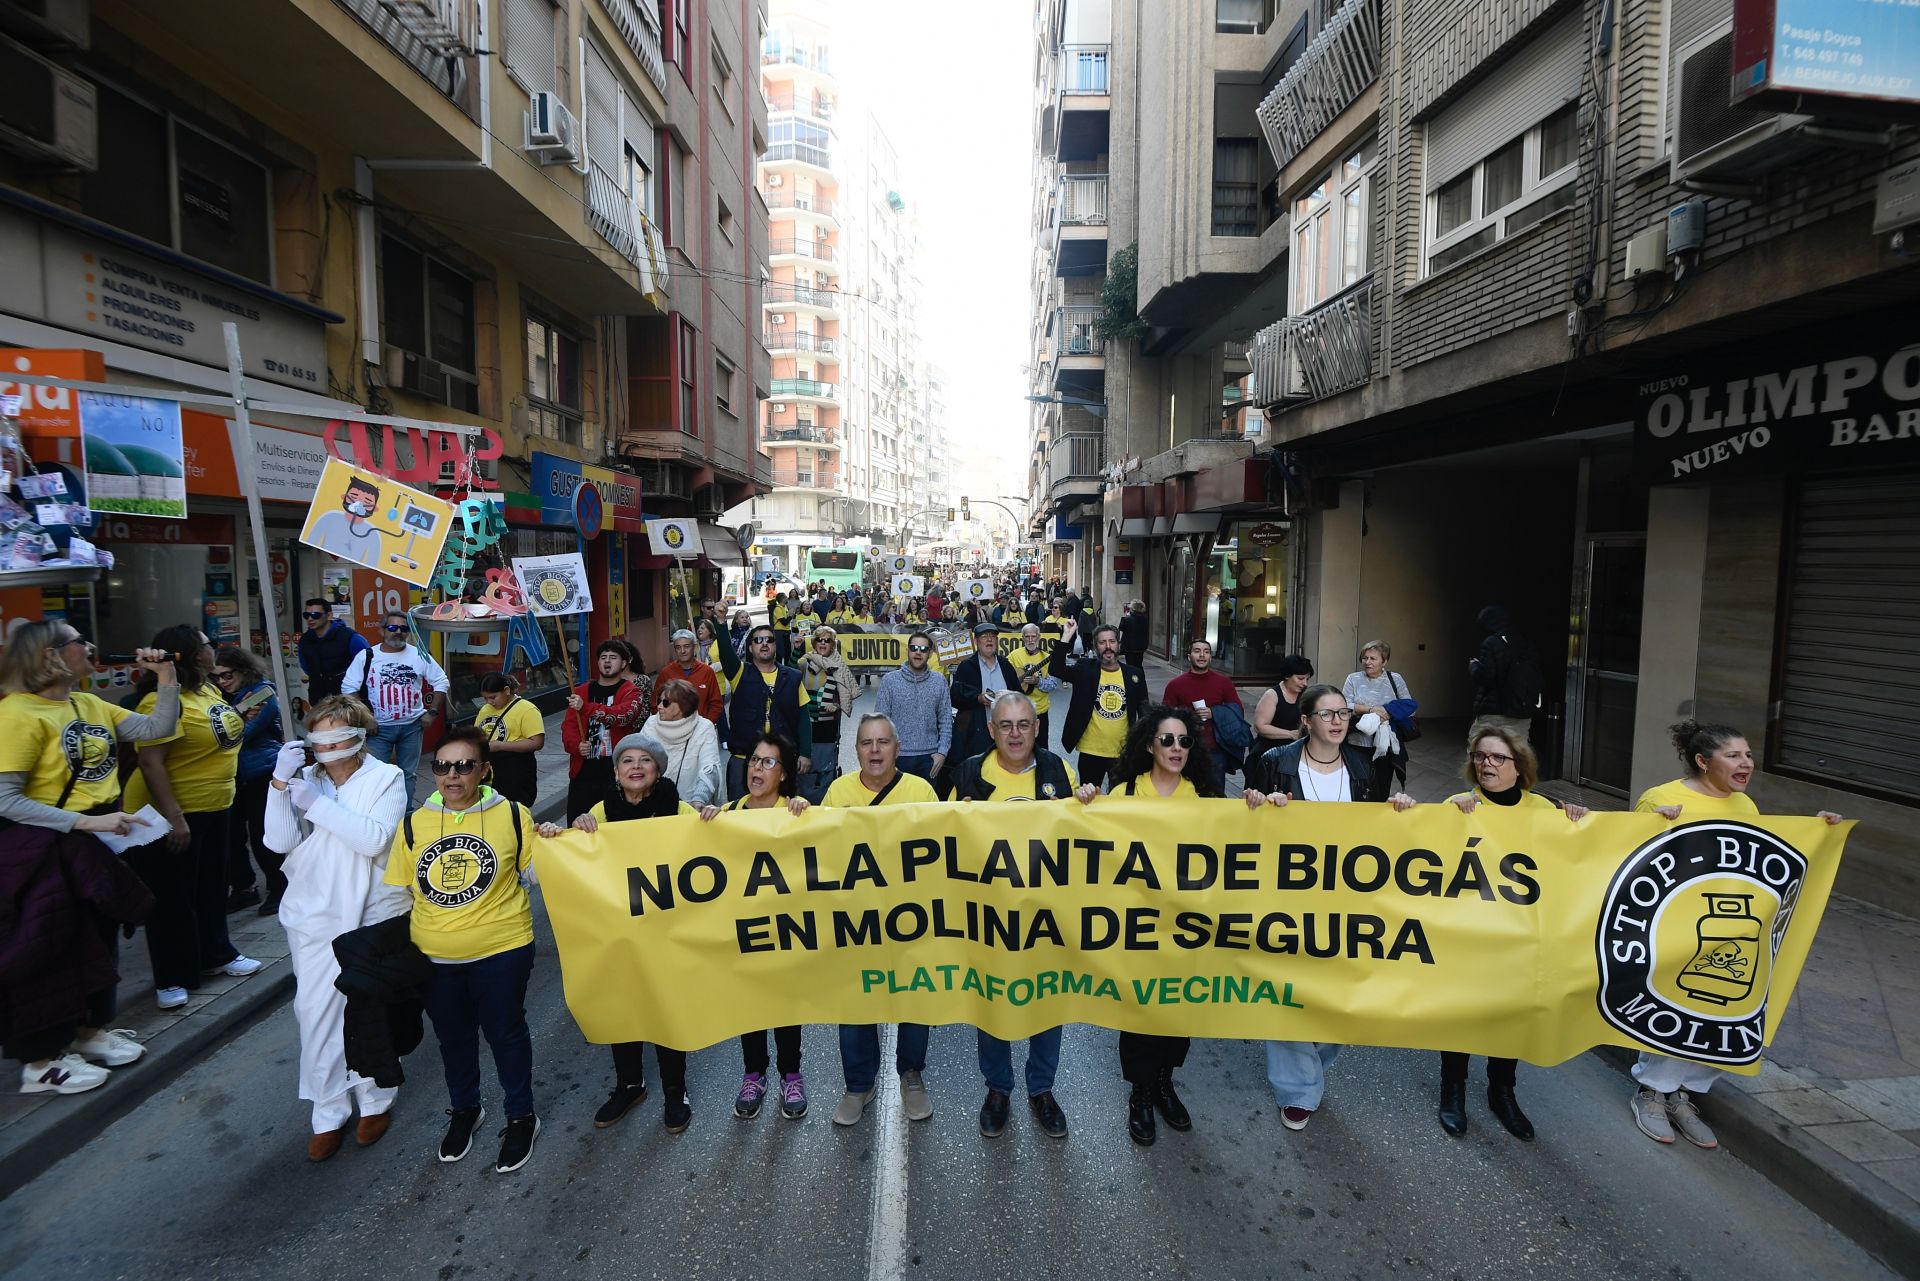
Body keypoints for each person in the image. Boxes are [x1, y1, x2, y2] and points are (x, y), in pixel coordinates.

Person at [1627, 720, 1843, 1150]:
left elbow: (1759, 859)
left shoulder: (1746, 806)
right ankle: (1651, 1091)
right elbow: (1627, 859)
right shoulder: (1663, 798)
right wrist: (1655, 825)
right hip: (1674, 929)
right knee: (1675, 1007)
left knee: (1722, 1012)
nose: (1746, 763)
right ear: (1703, 761)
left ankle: (1682, 1095)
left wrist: (1818, 831)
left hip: (1732, 931)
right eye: (1734, 755)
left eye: (1747, 754)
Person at [0, 623, 175, 1096]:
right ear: (51, 655)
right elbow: (5, 799)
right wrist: (86, 824)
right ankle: (41, 1062)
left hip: (94, 839)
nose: (92, 647)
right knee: (46, 948)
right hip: (44, 848)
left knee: (95, 939)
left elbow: (159, 728)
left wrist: (164, 678)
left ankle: (87, 1032)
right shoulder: (16, 714)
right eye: (81, 641)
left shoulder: (87, 703)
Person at [1249, 683, 1414, 1130]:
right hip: (1289, 901)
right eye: (1327, 714)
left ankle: (1310, 1068)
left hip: (1346, 904)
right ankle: (1298, 1089)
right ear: (1306, 721)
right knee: (1290, 995)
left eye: (1343, 713)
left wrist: (1401, 810)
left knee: (1341, 1000)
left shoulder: (1364, 767)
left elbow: (1379, 832)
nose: (1338, 721)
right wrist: (1262, 805)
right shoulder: (1273, 763)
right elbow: (1245, 830)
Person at [382, 727, 543, 1173]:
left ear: (483, 770)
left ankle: (521, 1115)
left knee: (505, 1034)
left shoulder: (512, 815)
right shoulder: (413, 825)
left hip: (503, 947)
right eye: (442, 766)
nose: (452, 776)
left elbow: (540, 874)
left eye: (464, 765)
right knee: (453, 1039)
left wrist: (558, 840)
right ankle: (466, 1109)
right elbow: (397, 894)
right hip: (435, 957)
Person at [263, 694, 410, 1161]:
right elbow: (279, 841)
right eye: (317, 736)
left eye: (336, 735)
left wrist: (318, 807)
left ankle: (374, 1098)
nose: (325, 746)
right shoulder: (303, 780)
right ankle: (327, 1110)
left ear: (358, 736)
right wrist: (279, 785)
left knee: (365, 1007)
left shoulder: (386, 777)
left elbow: (372, 840)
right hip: (313, 912)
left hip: (371, 911)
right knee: (314, 1011)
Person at [950, 692, 1096, 1138]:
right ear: (992, 730)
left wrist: (1091, 802)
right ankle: (998, 1089)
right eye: (1006, 725)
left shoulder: (1058, 771)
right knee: (992, 1001)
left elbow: (1085, 836)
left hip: (1047, 916)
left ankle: (1042, 1089)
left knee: (1047, 1001)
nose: (1015, 734)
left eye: (1024, 725)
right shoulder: (970, 774)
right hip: (989, 918)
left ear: (1036, 728)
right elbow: (948, 839)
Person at [538, 733, 698, 1134]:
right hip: (619, 932)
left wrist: (711, 817)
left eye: (646, 760)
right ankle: (630, 1084)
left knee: (665, 1008)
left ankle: (676, 1092)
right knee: (623, 1006)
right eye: (627, 760)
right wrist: (571, 832)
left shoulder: (678, 808)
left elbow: (706, 847)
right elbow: (578, 855)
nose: (636, 767)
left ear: (658, 770)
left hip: (665, 930)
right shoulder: (601, 811)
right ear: (616, 771)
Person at [1439, 722, 1588, 1142]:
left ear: (1519, 766)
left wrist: (1580, 824)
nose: (1487, 764)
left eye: (1497, 757)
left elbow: (1581, 861)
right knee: (1460, 1014)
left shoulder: (1545, 813)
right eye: (1480, 756)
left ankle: (1502, 1091)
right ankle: (1453, 1090)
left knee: (1511, 1013)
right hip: (1468, 934)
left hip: (1521, 939)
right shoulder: (1456, 805)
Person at [124, 625, 263, 1011]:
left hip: (216, 806)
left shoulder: (207, 690)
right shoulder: (160, 701)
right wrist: (175, 817)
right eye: (207, 645)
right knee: (172, 898)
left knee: (210, 888)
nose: (214, 649)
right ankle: (172, 977)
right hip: (175, 813)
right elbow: (151, 763)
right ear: (186, 654)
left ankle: (217, 953)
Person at [823, 714, 939, 1127]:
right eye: (866, 743)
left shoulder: (921, 790)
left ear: (898, 747)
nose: (875, 750)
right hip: (857, 920)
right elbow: (817, 850)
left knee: (915, 997)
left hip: (911, 919)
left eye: (883, 742)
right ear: (856, 750)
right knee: (855, 999)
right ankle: (858, 1084)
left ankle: (911, 1074)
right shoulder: (838, 791)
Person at [696, 733, 812, 1120]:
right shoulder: (727, 812)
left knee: (783, 1004)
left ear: (784, 774)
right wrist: (707, 826)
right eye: (754, 761)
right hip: (742, 930)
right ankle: (754, 1074)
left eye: (768, 762)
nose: (757, 768)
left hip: (785, 928)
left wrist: (805, 813)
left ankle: (791, 1075)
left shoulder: (795, 812)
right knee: (749, 1005)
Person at [342, 613, 452, 810]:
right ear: (382, 630)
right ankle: (377, 812)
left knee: (408, 774)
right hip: (378, 729)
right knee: (374, 773)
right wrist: (367, 719)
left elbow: (441, 681)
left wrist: (432, 712)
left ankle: (406, 814)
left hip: (411, 727)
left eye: (404, 629)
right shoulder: (367, 656)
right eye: (393, 628)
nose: (399, 632)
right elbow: (349, 688)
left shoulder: (419, 654)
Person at [213, 646, 284, 914]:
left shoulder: (262, 693)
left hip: (260, 772)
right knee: (232, 834)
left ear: (244, 671)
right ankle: (244, 888)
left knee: (262, 835)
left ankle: (279, 886)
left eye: (227, 675)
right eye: (216, 677)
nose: (222, 681)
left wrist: (230, 724)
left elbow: (236, 735)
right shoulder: (223, 697)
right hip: (233, 774)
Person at [1049, 621, 1149, 790]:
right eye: (1102, 643)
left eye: (1112, 641)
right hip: (1091, 751)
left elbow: (1144, 710)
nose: (1108, 646)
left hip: (1123, 751)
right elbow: (1056, 669)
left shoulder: (1134, 674)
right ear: (1095, 647)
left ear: (1119, 645)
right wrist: (1066, 635)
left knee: (1120, 798)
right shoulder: (1085, 669)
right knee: (1090, 799)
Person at [724, 625, 813, 801]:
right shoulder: (740, 673)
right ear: (750, 648)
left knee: (782, 817)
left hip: (781, 761)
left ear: (775, 646)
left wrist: (805, 753)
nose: (764, 644)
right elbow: (726, 654)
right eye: (758, 640)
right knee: (740, 817)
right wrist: (720, 622)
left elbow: (804, 718)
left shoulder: (793, 677)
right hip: (744, 760)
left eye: (769, 640)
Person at [562, 640, 648, 822]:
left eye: (613, 657)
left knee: (615, 825)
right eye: (603, 657)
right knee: (577, 826)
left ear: (624, 663)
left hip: (617, 774)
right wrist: (576, 746)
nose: (607, 661)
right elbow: (568, 727)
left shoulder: (632, 691)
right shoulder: (581, 691)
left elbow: (624, 716)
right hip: (583, 773)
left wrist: (586, 708)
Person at [873, 630, 952, 784]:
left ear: (930, 654)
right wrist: (884, 755)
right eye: (914, 648)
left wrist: (942, 753)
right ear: (907, 650)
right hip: (897, 757)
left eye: (923, 649)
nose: (918, 653)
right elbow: (880, 722)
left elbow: (946, 720)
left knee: (927, 808)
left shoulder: (939, 681)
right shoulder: (890, 681)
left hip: (929, 759)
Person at [1163, 638, 1242, 782]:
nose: (1202, 655)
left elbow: (1238, 711)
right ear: (1189, 656)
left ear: (1210, 657)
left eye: (1206, 652)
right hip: (1185, 749)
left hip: (1215, 749)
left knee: (1214, 796)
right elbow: (1164, 717)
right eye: (1197, 651)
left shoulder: (1223, 683)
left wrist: (1214, 713)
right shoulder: (1175, 685)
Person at [1342, 640, 1410, 803]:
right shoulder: (1353, 679)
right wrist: (1371, 710)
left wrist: (1388, 712)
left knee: (1381, 788)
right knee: (1356, 786)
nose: (1367, 662)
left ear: (1384, 661)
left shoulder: (1395, 679)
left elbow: (1410, 706)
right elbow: (1343, 705)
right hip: (1357, 743)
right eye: (1365, 658)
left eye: (1373, 658)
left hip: (1385, 746)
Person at [640, 679, 724, 808]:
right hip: (652, 805)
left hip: (690, 806)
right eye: (659, 701)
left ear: (683, 705)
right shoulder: (651, 724)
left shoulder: (704, 727)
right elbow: (638, 760)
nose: (659, 706)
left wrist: (699, 798)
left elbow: (709, 767)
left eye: (666, 703)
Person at [799, 626, 858, 802]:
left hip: (827, 727)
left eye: (828, 640)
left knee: (824, 766)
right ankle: (802, 799)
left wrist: (836, 704)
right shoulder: (805, 661)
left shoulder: (839, 666)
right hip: (805, 725)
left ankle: (824, 799)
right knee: (803, 766)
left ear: (833, 644)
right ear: (814, 642)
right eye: (820, 640)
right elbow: (790, 672)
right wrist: (795, 649)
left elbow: (846, 694)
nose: (823, 643)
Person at [1468, 605, 1539, 747]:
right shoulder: (1524, 640)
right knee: (1519, 753)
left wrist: (1474, 666)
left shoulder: (1492, 642)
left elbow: (1485, 677)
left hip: (1496, 712)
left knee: (1480, 750)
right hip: (1523, 709)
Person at [474, 674, 544, 808]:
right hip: (488, 772)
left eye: (493, 697)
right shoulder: (485, 710)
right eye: (485, 698)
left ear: (506, 690)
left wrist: (501, 746)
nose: (489, 702)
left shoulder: (527, 709)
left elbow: (537, 742)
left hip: (515, 770)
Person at [296, 598, 371, 703]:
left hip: (348, 699)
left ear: (329, 615)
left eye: (315, 615)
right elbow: (306, 666)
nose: (310, 619)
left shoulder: (349, 637)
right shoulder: (305, 641)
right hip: (319, 698)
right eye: (306, 615)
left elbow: (368, 663)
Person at [305, 475, 388, 568]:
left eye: (367, 502)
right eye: (354, 496)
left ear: (375, 508)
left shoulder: (373, 533)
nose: (359, 503)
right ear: (344, 496)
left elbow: (374, 564)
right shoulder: (329, 517)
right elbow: (311, 540)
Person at [654, 629, 726, 726]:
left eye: (686, 646)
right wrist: (667, 724)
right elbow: (655, 703)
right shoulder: (666, 673)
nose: (682, 651)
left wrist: (706, 724)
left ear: (694, 647)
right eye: (678, 647)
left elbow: (716, 704)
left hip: (700, 730)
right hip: (672, 730)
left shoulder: (707, 671)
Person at [1002, 624, 1059, 747]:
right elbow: (1005, 676)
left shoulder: (1047, 658)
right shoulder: (1013, 655)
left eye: (1033, 636)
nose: (1030, 640)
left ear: (1039, 637)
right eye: (1027, 636)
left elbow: (1053, 685)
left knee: (1041, 745)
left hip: (1040, 710)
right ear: (1022, 638)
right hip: (1019, 710)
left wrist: (1038, 682)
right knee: (1020, 745)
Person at [1251, 655, 1314, 746]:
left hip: (1298, 747)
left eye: (1307, 679)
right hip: (1271, 748)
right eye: (1300, 679)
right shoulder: (1272, 695)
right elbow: (1260, 726)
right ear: (1287, 676)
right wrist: (1290, 734)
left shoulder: (1306, 694)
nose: (1304, 683)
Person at [1118, 599, 1148, 669]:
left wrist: (1125, 616)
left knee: (1130, 664)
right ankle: (1140, 677)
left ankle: (1133, 678)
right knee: (1139, 664)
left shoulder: (1128, 619)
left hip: (1129, 647)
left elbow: (1121, 628)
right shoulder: (1144, 618)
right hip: (1140, 646)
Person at [770, 592, 793, 665]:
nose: (787, 598)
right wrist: (791, 616)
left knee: (787, 651)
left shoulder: (784, 607)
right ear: (783, 599)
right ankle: (778, 667)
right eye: (786, 597)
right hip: (779, 632)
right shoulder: (778, 608)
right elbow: (784, 622)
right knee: (780, 652)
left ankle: (786, 667)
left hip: (786, 632)